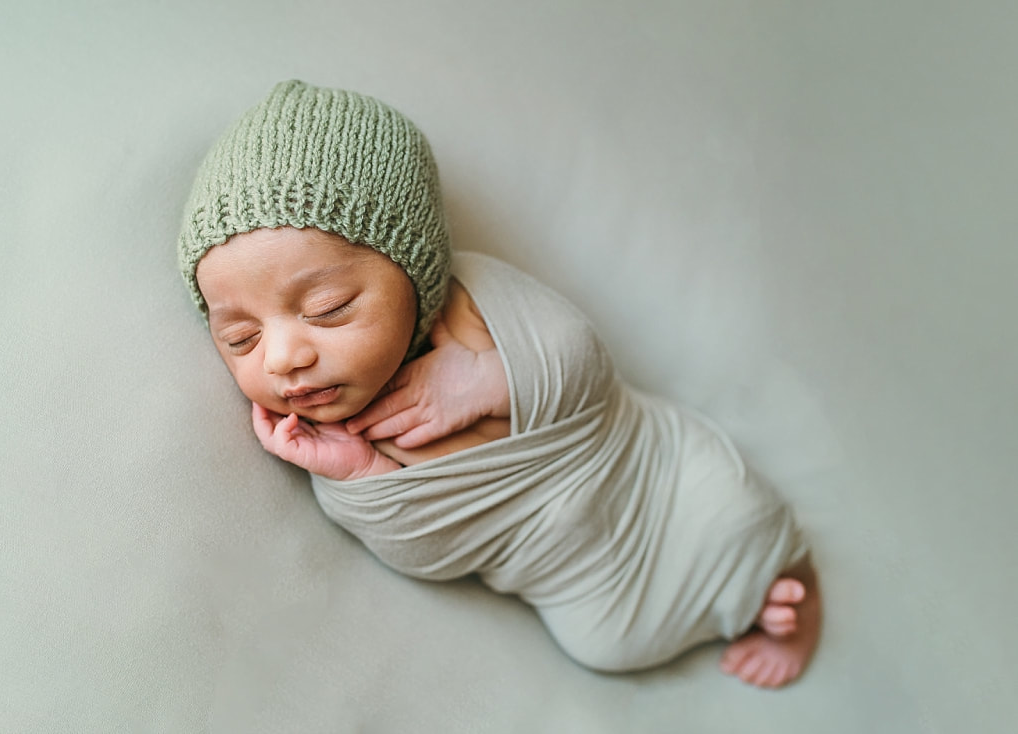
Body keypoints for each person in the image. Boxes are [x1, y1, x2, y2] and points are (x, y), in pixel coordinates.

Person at [177, 80, 821, 688]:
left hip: (644, 469)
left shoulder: (472, 307)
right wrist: (362, 477)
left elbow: (587, 370)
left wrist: (486, 379)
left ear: (415, 272)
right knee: (605, 646)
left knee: (733, 505)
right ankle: (735, 606)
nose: (285, 356)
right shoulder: (335, 441)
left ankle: (794, 590)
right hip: (572, 566)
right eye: (242, 338)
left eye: (328, 308)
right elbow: (437, 554)